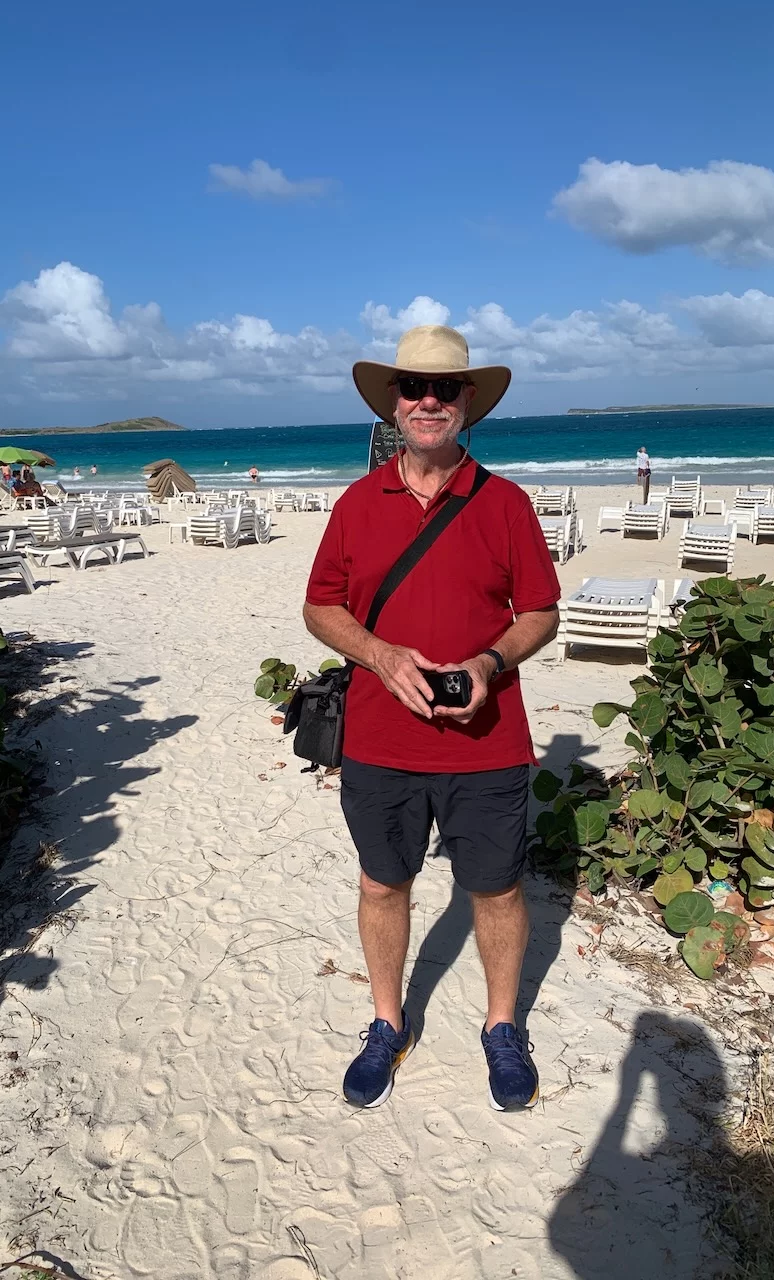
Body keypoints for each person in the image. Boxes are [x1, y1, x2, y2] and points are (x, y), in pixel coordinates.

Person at [303, 325, 560, 1112]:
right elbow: (320, 607)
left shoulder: (505, 503)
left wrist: (489, 662)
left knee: (497, 890)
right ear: (393, 402)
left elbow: (541, 612)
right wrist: (380, 655)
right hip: (380, 741)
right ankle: (387, 1022)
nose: (427, 401)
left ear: (467, 401)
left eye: (444, 389)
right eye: (413, 387)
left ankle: (502, 1026)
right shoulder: (357, 503)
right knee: (383, 884)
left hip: (488, 742)